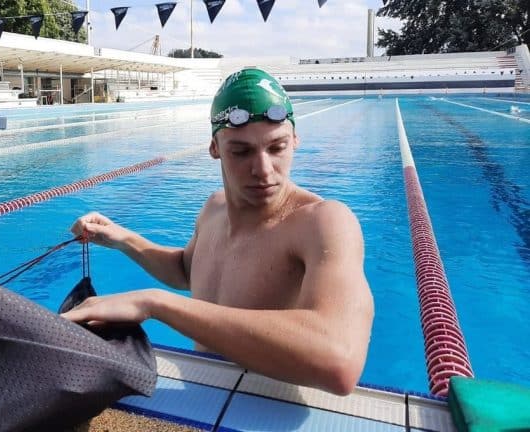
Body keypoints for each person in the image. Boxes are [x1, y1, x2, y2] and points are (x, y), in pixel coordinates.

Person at [63, 68, 374, 396]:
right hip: (203, 393)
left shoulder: (323, 223)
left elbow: (339, 362)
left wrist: (154, 303)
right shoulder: (214, 207)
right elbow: (188, 270)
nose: (263, 169)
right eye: (241, 152)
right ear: (215, 148)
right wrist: (124, 239)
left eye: (277, 147)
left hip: (265, 411)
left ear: (295, 139)